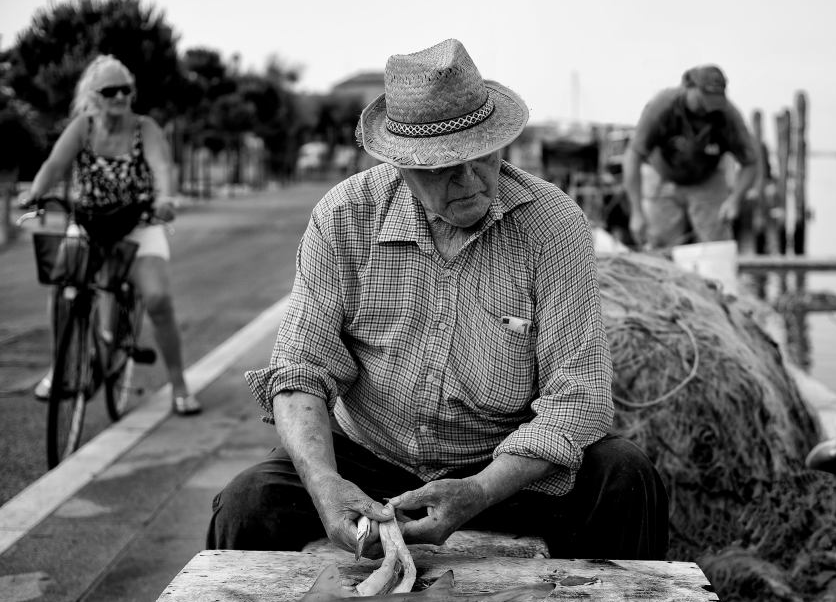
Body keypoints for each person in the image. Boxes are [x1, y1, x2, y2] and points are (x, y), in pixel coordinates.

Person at [207, 38, 668, 560]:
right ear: (401, 166)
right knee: (247, 504)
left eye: (482, 156)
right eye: (445, 167)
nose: (471, 181)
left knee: (627, 477)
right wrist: (323, 483)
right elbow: (299, 371)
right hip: (370, 456)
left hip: (503, 466)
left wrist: (481, 490)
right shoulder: (344, 217)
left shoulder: (553, 226)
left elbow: (577, 398)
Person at [20, 54, 201, 416]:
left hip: (139, 225)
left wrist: (166, 197)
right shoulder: (82, 128)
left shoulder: (144, 127)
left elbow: (162, 166)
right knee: (64, 290)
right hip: (88, 224)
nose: (120, 97)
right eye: (110, 90)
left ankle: (179, 384)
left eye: (126, 90)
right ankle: (61, 368)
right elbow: (54, 165)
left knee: (157, 299)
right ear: (93, 95)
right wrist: (35, 192)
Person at [623, 64, 759, 249]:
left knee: (717, 244)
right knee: (659, 244)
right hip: (663, 177)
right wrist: (637, 212)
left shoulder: (728, 115)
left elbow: (750, 162)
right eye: (704, 100)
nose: (708, 108)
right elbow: (633, 156)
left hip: (707, 178)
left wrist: (734, 199)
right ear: (689, 86)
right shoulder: (662, 106)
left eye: (714, 102)